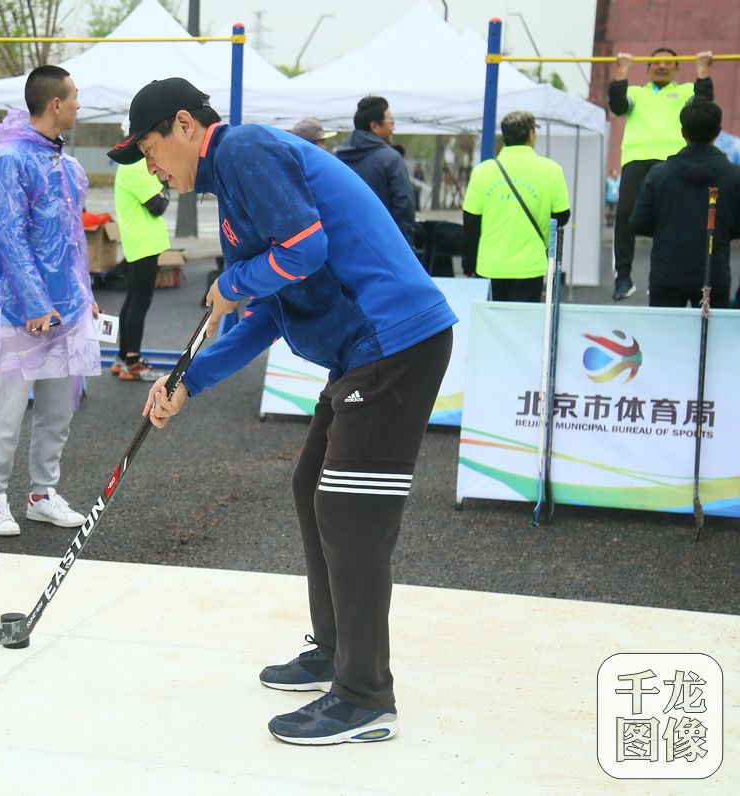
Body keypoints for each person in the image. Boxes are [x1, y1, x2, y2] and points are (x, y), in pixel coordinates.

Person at [109, 77, 456, 746]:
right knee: (312, 487)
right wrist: (190, 379)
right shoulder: (228, 187)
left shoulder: (242, 150)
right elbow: (267, 309)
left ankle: (364, 697)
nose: (152, 169)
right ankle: (334, 651)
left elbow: (304, 248)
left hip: (395, 341)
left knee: (349, 509)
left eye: (151, 150)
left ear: (185, 126)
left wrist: (232, 282)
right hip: (365, 349)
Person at [0, 65, 99, 537]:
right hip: (21, 310)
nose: (77, 105)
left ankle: (42, 494)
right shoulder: (8, 161)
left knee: (58, 408)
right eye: (74, 97)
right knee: (9, 406)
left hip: (66, 307)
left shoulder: (67, 166)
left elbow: (73, 241)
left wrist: (83, 294)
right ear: (55, 104)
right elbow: (8, 237)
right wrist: (33, 302)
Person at [609, 48, 714, 301]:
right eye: (656, 63)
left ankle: (660, 278)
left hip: (673, 161)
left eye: (669, 63)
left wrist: (703, 72)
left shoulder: (687, 90)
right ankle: (623, 276)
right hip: (636, 159)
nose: (662, 66)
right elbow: (618, 105)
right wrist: (621, 74)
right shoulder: (635, 93)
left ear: (678, 69)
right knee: (624, 214)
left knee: (669, 221)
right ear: (646, 69)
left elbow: (704, 104)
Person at [632, 100, 740, 308]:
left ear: (683, 132)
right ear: (718, 131)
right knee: (711, 339)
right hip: (714, 274)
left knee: (666, 338)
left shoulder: (659, 175)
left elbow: (639, 222)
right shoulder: (734, 176)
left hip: (667, 274)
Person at [461, 111, 570, 302]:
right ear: (531, 134)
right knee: (522, 328)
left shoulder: (482, 172)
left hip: (489, 266)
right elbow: (562, 215)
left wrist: (468, 265)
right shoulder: (552, 170)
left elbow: (471, 223)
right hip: (530, 266)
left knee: (492, 328)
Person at [111, 157, 170, 381]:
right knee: (140, 300)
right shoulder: (135, 165)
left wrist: (161, 190)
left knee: (133, 299)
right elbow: (159, 205)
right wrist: (163, 188)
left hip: (138, 242)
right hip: (143, 242)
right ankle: (132, 363)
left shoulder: (129, 165)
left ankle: (123, 357)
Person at [334, 96, 416, 244]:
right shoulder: (391, 159)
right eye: (391, 123)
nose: (393, 129)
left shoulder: (337, 158)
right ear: (375, 126)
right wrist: (405, 247)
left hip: (344, 245)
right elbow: (404, 206)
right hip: (382, 246)